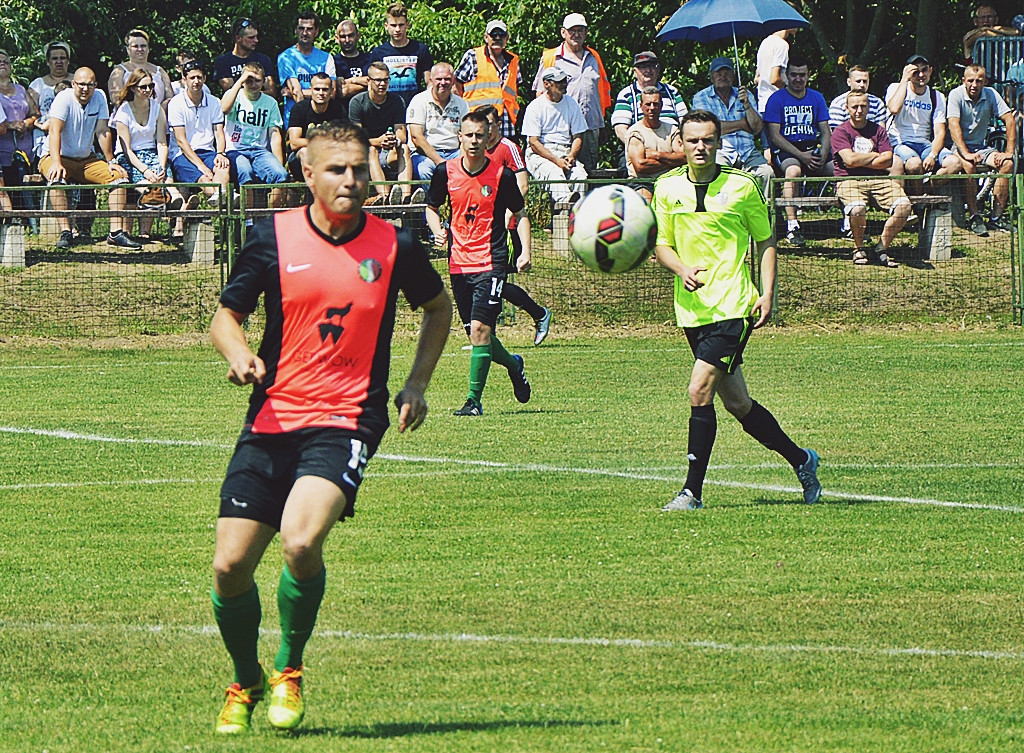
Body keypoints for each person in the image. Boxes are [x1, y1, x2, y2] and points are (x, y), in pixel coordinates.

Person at [209, 121, 451, 735]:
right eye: (337, 169)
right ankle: (246, 679)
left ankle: (289, 668)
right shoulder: (271, 238)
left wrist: (417, 384)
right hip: (272, 416)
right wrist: (238, 354)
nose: (350, 179)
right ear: (309, 174)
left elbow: (437, 307)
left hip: (347, 418)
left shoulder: (395, 244)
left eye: (360, 169)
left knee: (298, 540)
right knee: (229, 567)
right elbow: (225, 317)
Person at [653, 109, 821, 511]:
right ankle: (802, 459)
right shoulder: (666, 187)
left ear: (717, 143)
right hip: (693, 311)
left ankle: (691, 492)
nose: (700, 147)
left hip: (733, 305)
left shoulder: (742, 186)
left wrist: (766, 293)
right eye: (693, 140)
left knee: (698, 390)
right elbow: (661, 246)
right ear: (681, 141)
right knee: (738, 404)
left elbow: (765, 242)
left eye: (708, 140)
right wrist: (681, 268)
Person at [425, 111, 532, 416]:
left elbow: (521, 214)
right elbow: (431, 208)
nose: (473, 141)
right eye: (468, 135)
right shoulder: (445, 172)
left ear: (488, 139)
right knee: (476, 333)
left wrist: (525, 251)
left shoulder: (502, 175)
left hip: (492, 260)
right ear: (459, 136)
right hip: (459, 263)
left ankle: (473, 401)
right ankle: (514, 364)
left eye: (479, 135)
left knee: (482, 328)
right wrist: (437, 230)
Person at [40, 67, 139, 250]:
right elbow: (54, 130)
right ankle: (66, 232)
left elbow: (102, 130)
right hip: (56, 155)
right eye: (81, 85)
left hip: (86, 158)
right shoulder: (63, 98)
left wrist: (111, 161)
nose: (85, 89)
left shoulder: (99, 97)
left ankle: (116, 233)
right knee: (56, 180)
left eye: (90, 85)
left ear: (96, 85)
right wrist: (56, 162)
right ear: (73, 84)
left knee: (119, 178)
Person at [478, 104, 553, 345]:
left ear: (497, 125)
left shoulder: (508, 148)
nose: (485, 130)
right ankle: (487, 334)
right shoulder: (476, 151)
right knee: (486, 281)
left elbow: (523, 186)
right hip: (483, 229)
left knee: (495, 281)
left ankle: (538, 314)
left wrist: (508, 214)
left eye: (489, 124)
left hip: (505, 230)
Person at [832, 91, 912, 267]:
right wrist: (874, 156)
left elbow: (888, 160)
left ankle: (881, 247)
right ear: (847, 108)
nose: (859, 110)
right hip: (848, 180)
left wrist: (860, 160)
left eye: (863, 106)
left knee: (904, 207)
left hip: (879, 179)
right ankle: (859, 248)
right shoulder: (840, 131)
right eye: (855, 107)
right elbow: (849, 160)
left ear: (868, 108)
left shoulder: (879, 130)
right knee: (857, 209)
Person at [763, 55, 833, 247]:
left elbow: (826, 131)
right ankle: (792, 225)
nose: (798, 79)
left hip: (812, 147)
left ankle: (849, 221)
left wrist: (824, 153)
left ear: (808, 75)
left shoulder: (816, 97)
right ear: (786, 75)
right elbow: (775, 136)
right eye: (793, 75)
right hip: (787, 149)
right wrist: (801, 156)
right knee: (793, 172)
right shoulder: (776, 99)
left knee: (838, 170)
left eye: (802, 75)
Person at [112, 68, 186, 240]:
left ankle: (175, 206)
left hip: (153, 153)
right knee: (148, 185)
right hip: (130, 157)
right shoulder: (123, 112)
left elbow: (161, 142)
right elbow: (126, 149)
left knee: (167, 181)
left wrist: (161, 165)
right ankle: (162, 204)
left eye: (150, 86)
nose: (147, 90)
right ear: (133, 88)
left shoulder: (157, 108)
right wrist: (145, 169)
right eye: (143, 87)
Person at [533, 13, 612, 174]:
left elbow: (601, 91)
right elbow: (540, 94)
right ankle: (564, 199)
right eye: (572, 30)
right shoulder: (551, 58)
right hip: (562, 128)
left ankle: (585, 200)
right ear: (563, 33)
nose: (576, 34)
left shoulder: (594, 57)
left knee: (589, 172)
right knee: (560, 170)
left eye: (580, 30)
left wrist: (602, 122)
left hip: (590, 126)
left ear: (586, 32)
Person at [947, 64, 1016, 235]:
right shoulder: (956, 95)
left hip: (980, 147)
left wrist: (1009, 151)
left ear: (985, 82)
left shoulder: (991, 93)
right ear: (963, 81)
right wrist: (966, 153)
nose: (974, 85)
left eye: (979, 81)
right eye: (970, 81)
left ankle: (996, 218)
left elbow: (1010, 120)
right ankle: (974, 216)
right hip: (957, 147)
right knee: (969, 166)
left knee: (1007, 164)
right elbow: (953, 126)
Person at [691, 57, 772, 190]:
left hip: (748, 151)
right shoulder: (701, 97)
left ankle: (763, 210)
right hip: (720, 151)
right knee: (719, 174)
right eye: (718, 74)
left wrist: (746, 104)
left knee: (766, 173)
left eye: (727, 74)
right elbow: (707, 129)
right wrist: (742, 124)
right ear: (711, 77)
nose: (723, 77)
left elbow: (757, 127)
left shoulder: (746, 95)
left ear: (733, 76)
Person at [885, 55, 960, 196]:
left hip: (925, 144)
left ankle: (923, 192)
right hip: (901, 143)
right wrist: (904, 80)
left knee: (954, 163)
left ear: (930, 71)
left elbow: (939, 132)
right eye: (915, 71)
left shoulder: (937, 96)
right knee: (914, 165)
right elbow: (893, 108)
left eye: (924, 70)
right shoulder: (896, 88)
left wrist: (933, 155)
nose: (921, 75)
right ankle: (918, 204)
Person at [221, 62, 289, 208]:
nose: (253, 84)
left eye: (257, 80)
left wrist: (279, 163)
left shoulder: (270, 102)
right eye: (249, 81)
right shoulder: (234, 96)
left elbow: (274, 135)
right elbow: (223, 109)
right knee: (246, 172)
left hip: (259, 151)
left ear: (264, 81)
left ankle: (270, 219)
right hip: (235, 149)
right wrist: (240, 81)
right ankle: (249, 222)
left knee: (281, 176)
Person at [521, 66, 588, 205]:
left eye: (564, 80)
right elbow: (534, 142)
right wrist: (556, 161)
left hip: (565, 151)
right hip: (541, 154)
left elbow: (578, 136)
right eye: (559, 81)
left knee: (580, 177)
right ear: (546, 84)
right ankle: (567, 207)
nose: (564, 84)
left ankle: (578, 213)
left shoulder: (571, 104)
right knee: (555, 174)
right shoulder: (535, 107)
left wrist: (571, 156)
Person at [348, 61, 412, 203]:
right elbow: (356, 138)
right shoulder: (357, 102)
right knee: (371, 150)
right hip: (366, 153)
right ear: (369, 81)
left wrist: (393, 140)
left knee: (405, 148)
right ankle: (384, 196)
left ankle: (406, 196)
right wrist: (378, 141)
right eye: (378, 80)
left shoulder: (397, 101)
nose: (382, 84)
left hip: (389, 152)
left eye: (385, 80)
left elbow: (402, 134)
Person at [168, 60, 231, 206]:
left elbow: (219, 132)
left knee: (223, 166)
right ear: (184, 80)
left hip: (208, 151)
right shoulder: (176, 103)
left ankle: (219, 197)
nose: (196, 81)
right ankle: (225, 198)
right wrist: (201, 165)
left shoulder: (214, 101)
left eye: (199, 77)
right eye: (192, 78)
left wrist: (221, 153)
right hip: (182, 155)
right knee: (203, 178)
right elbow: (181, 141)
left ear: (204, 78)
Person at [611, 51, 688, 159]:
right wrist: (639, 147)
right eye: (642, 67)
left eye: (652, 66)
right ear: (635, 72)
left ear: (658, 69)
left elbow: (685, 122)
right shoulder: (626, 94)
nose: (647, 70)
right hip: (640, 147)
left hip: (673, 145)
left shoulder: (672, 92)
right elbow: (620, 129)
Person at [454, 20, 522, 139]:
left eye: (501, 35)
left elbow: (515, 89)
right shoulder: (473, 56)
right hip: (478, 122)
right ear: (486, 37)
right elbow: (456, 85)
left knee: (505, 154)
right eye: (493, 35)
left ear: (507, 38)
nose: (497, 38)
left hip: (506, 123)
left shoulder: (513, 60)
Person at [406, 62, 468, 182]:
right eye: (439, 79)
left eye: (447, 79)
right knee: (425, 170)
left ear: (454, 80)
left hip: (454, 152)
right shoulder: (419, 101)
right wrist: (440, 162)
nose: (443, 83)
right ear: (431, 80)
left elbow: (466, 134)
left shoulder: (461, 104)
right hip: (424, 154)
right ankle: (431, 199)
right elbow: (416, 136)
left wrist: (462, 160)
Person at [624, 86, 687, 199]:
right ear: (641, 106)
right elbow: (640, 166)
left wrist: (658, 155)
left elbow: (684, 158)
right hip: (643, 182)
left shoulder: (671, 130)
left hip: (670, 180)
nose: (652, 108)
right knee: (645, 204)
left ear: (661, 106)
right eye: (648, 104)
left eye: (656, 104)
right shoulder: (635, 132)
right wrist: (671, 161)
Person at [277, 10, 337, 127]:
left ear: (316, 31)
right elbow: (296, 93)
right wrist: (319, 93)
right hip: (295, 122)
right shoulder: (286, 57)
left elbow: (332, 92)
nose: (305, 33)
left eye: (309, 29)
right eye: (301, 28)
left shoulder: (326, 58)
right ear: (295, 30)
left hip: (323, 121)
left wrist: (297, 92)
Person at [286, 71, 348, 183]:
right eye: (317, 89)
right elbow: (294, 143)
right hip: (299, 159)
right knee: (305, 151)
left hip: (330, 156)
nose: (321, 93)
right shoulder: (299, 109)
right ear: (311, 90)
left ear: (332, 91)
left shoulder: (338, 109)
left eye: (325, 89)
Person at [370, 3, 434, 108]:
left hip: (414, 104)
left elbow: (429, 81)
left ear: (407, 25)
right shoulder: (378, 52)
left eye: (401, 25)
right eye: (393, 25)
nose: (397, 29)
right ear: (386, 26)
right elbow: (372, 83)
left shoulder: (420, 49)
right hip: (387, 107)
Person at [0, 49, 40, 214]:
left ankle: (29, 220)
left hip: (24, 146)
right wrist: (10, 125)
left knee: (26, 186)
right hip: (4, 146)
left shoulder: (21, 89)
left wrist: (26, 123)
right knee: (8, 185)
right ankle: (12, 219)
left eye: (5, 62)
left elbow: (35, 113)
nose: (2, 64)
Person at [107, 29, 174, 107]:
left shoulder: (160, 71)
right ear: (128, 49)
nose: (140, 49)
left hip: (158, 115)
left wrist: (158, 110)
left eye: (143, 46)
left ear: (148, 49)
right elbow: (116, 98)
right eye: (135, 46)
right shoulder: (119, 71)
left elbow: (170, 98)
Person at [29, 41, 71, 161]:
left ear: (68, 61)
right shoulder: (37, 85)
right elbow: (32, 113)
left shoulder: (77, 82)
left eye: (62, 58)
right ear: (48, 62)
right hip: (45, 137)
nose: (59, 62)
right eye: (54, 58)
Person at [215, 18, 277, 96]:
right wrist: (257, 93)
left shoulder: (263, 60)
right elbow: (230, 92)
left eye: (256, 36)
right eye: (251, 38)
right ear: (238, 38)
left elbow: (272, 91)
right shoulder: (223, 62)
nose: (256, 40)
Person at [755, 28, 797, 113]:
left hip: (763, 103)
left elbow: (757, 79)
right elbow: (774, 79)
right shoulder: (781, 44)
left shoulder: (765, 43)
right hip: (778, 105)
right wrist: (792, 91)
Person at [334, 20, 372, 105]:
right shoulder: (332, 62)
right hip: (342, 113)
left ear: (358, 36)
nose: (347, 40)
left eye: (351, 35)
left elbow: (377, 82)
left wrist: (352, 80)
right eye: (343, 36)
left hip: (368, 110)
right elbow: (343, 92)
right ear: (337, 39)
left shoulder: (370, 59)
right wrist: (366, 84)